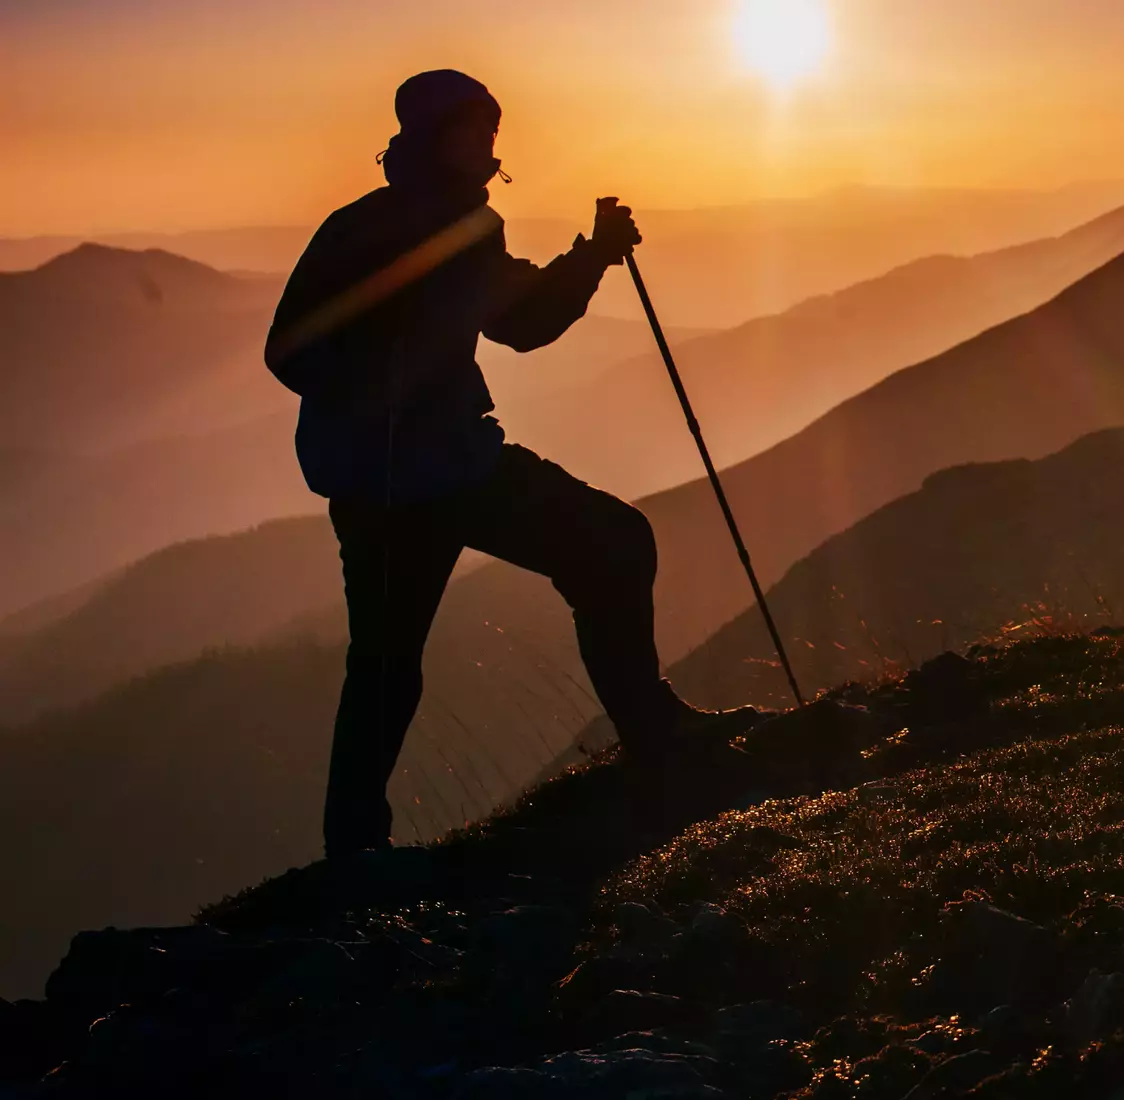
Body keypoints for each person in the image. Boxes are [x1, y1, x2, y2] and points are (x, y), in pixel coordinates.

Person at [266, 70, 758, 858]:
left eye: (492, 130)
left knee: (604, 546)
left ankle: (357, 846)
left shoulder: (465, 227)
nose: (489, 145)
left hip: (440, 466)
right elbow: (291, 348)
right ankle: (358, 846)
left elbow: (518, 321)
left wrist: (593, 256)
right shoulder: (369, 228)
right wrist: (388, 388)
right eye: (472, 130)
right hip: (396, 481)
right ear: (431, 138)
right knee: (406, 653)